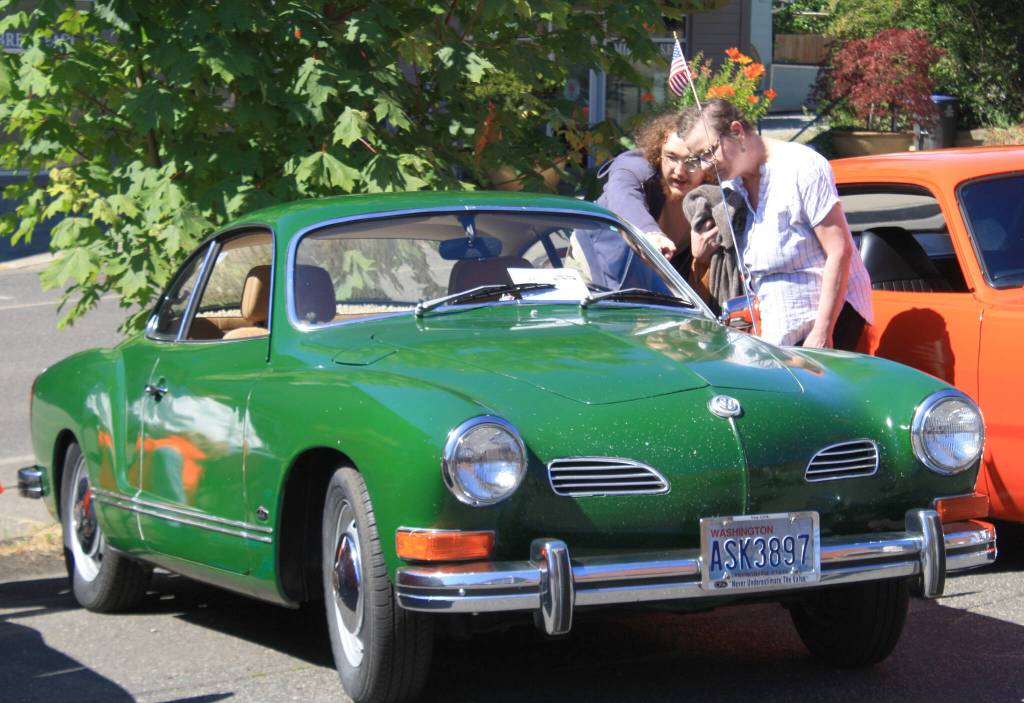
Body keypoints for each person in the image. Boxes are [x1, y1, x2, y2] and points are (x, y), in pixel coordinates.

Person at [676, 99, 873, 350]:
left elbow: (839, 251)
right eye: (697, 159)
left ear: (737, 132)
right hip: (776, 330)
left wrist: (823, 331)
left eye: (708, 153)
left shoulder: (802, 167)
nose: (705, 166)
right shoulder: (733, 186)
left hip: (828, 324)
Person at [574, 111, 722, 304]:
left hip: (662, 278)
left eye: (692, 161)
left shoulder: (716, 190)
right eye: (671, 157)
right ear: (658, 152)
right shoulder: (633, 166)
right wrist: (650, 234)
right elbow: (623, 197)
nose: (679, 171)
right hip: (598, 256)